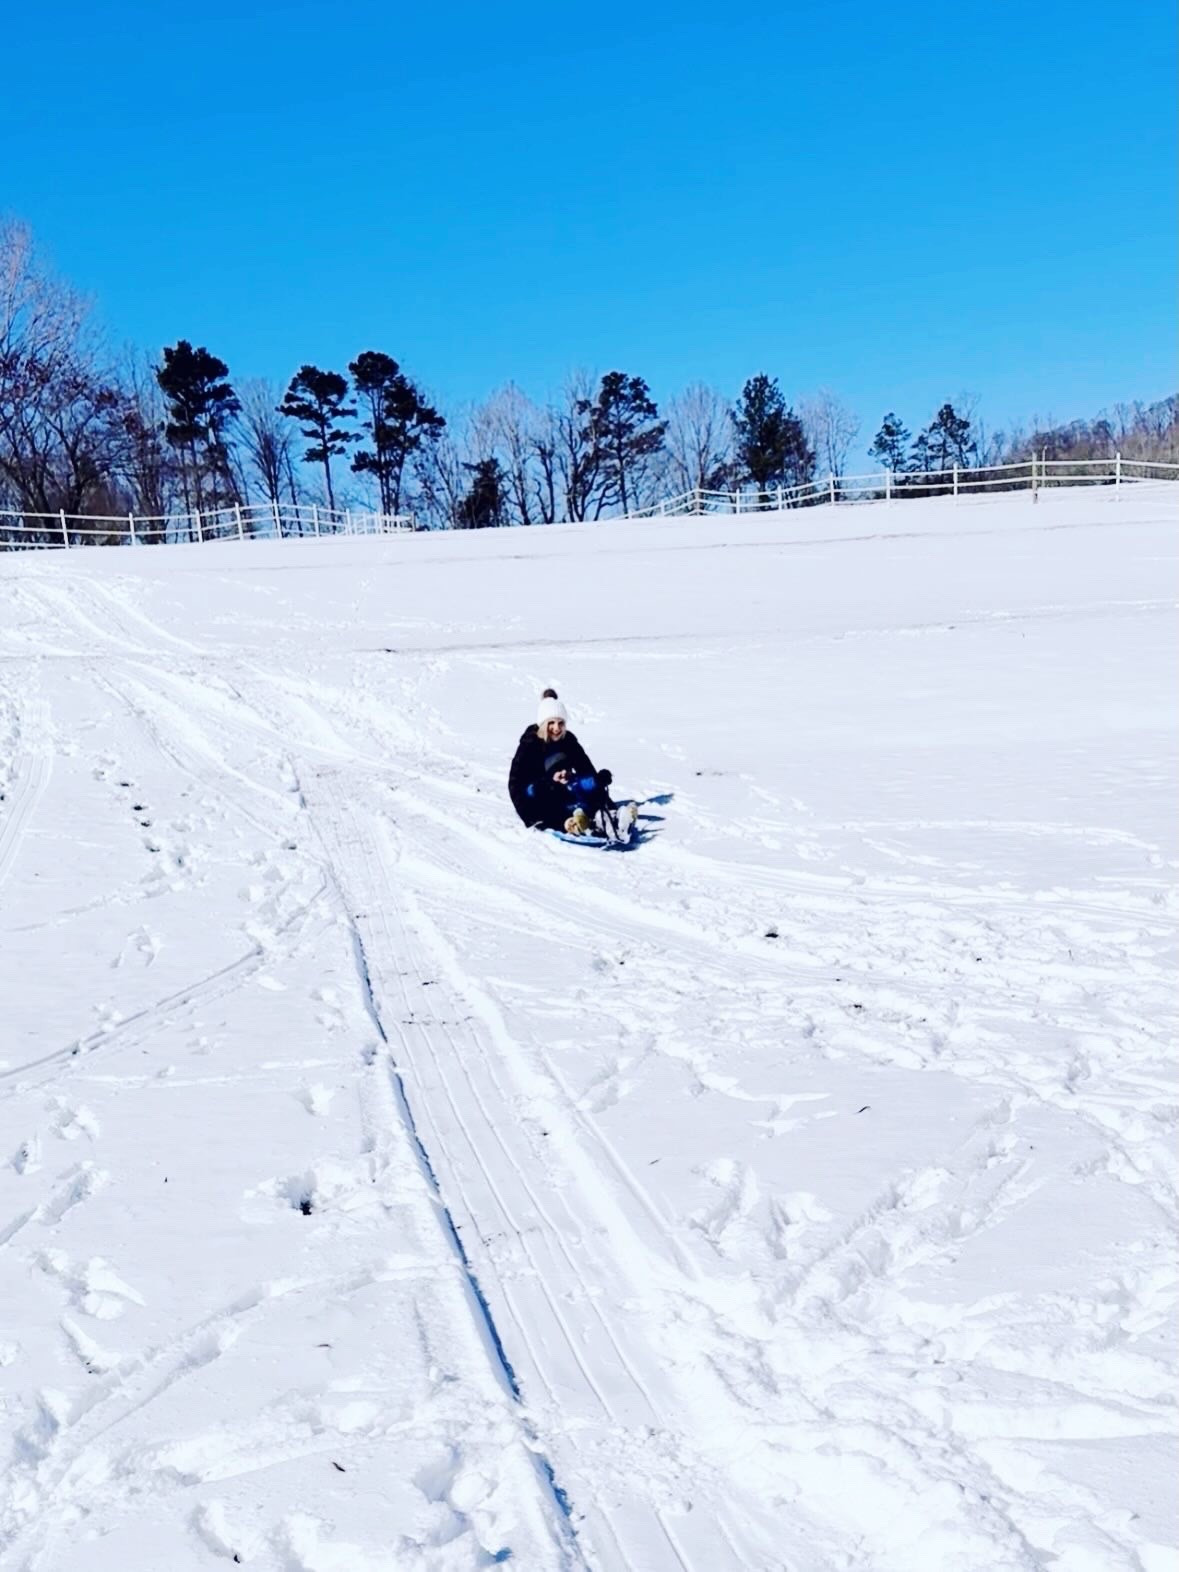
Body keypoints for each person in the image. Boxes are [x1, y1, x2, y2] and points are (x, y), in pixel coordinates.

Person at [509, 689, 616, 836]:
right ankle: (571, 824)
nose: (556, 728)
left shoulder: (568, 740)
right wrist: (530, 818)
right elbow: (516, 783)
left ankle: (608, 817)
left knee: (584, 786)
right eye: (551, 723)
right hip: (540, 796)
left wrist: (599, 783)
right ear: (543, 724)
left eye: (561, 723)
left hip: (567, 790)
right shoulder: (530, 744)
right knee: (548, 795)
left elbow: (585, 768)